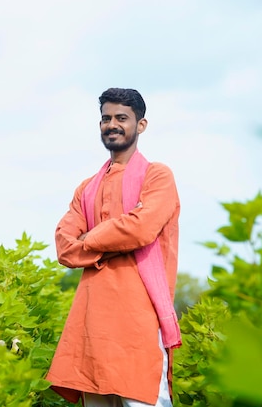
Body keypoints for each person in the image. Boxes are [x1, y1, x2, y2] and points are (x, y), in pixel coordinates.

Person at [46, 88, 181, 407]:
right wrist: (112, 243)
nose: (112, 124)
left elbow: (140, 228)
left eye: (122, 118)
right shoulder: (86, 188)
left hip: (138, 320)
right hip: (90, 323)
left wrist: (89, 241)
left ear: (141, 125)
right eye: (106, 118)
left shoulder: (157, 176)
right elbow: (65, 247)